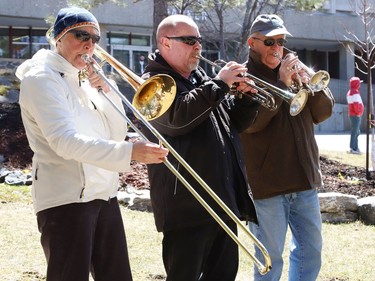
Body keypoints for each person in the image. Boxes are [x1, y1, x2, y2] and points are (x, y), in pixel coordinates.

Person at [15, 7, 168, 281]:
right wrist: (131, 152)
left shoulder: (85, 79)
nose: (89, 44)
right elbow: (65, 142)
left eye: (95, 38)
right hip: (65, 199)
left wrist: (107, 90)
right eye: (81, 35)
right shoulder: (41, 78)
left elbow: (116, 132)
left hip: (103, 194)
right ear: (59, 38)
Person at [140, 14, 259, 281]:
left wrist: (246, 99)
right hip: (186, 207)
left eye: (199, 40)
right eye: (190, 40)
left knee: (224, 274)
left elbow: (234, 124)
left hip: (221, 202)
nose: (198, 47)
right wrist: (219, 84)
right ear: (165, 43)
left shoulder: (200, 79)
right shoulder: (152, 82)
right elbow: (177, 119)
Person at [240, 14, 335, 281]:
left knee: (311, 251)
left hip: (303, 181)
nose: (277, 48)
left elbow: (323, 113)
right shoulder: (242, 78)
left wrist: (309, 85)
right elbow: (251, 124)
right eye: (269, 41)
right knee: (270, 258)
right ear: (252, 43)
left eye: (281, 41)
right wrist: (281, 84)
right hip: (267, 185)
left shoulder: (296, 70)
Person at [346, 76, 364, 154]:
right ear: (356, 84)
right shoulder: (355, 92)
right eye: (358, 83)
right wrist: (358, 113)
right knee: (355, 131)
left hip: (353, 114)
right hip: (356, 115)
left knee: (356, 131)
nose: (359, 85)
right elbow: (356, 105)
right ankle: (353, 148)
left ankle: (355, 147)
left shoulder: (350, 92)